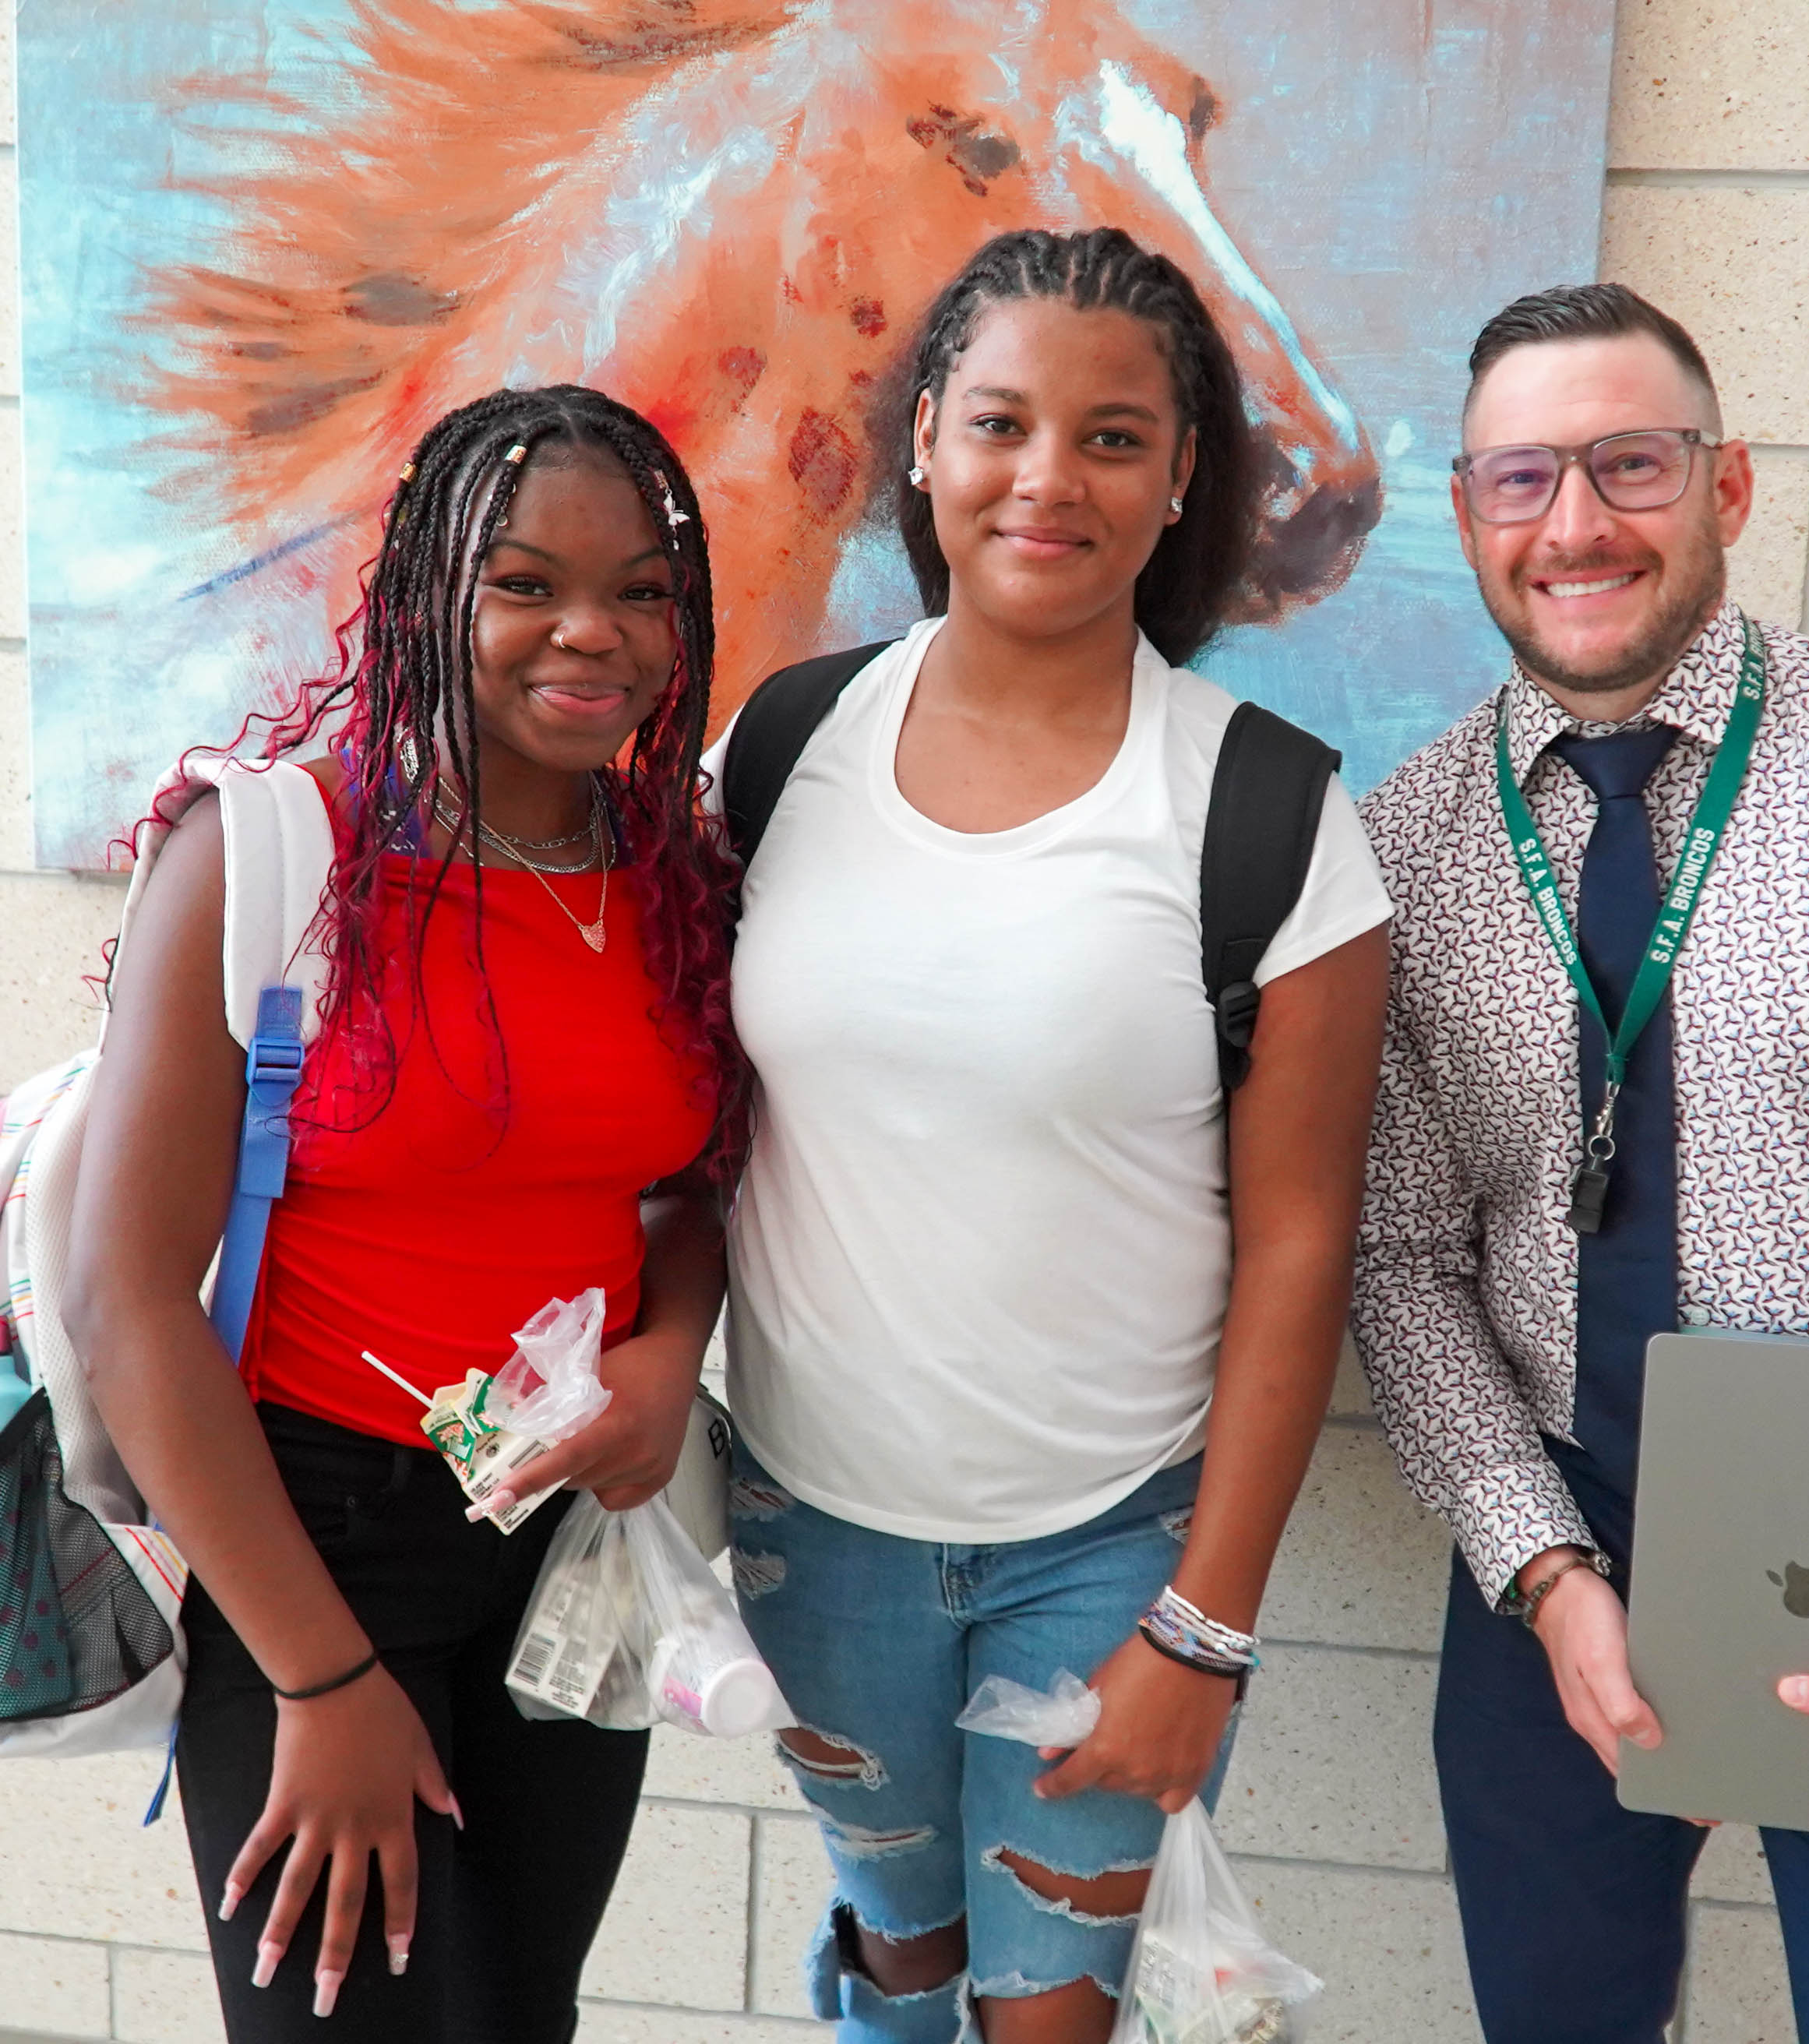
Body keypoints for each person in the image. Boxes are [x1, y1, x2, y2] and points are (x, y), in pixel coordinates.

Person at [699, 227, 1391, 2044]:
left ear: (1178, 483)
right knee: (895, 1983)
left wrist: (1202, 1630)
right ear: (923, 442)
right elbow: (674, 1107)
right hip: (809, 1529)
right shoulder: (778, 750)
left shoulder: (1267, 814)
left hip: (1113, 1550)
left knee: (1052, 2019)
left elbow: (1303, 1246)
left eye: (1111, 437)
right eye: (1000, 421)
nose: (1045, 477)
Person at [1350, 280, 1809, 2042]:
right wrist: (1543, 1571)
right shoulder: (1406, 849)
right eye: (1522, 479)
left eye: (1628, 465)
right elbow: (1399, 1259)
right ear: (1469, 518)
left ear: (1724, 487)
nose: (1575, 523)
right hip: (1558, 1538)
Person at [64, 386, 741, 2043]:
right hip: (310, 1536)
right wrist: (319, 1675)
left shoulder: (671, 867)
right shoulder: (272, 850)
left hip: (563, 1538)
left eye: (643, 590)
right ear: (428, 596)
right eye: (524, 582)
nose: (593, 631)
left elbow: (689, 1184)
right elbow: (128, 1302)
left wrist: (668, 1354)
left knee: (516, 2021)